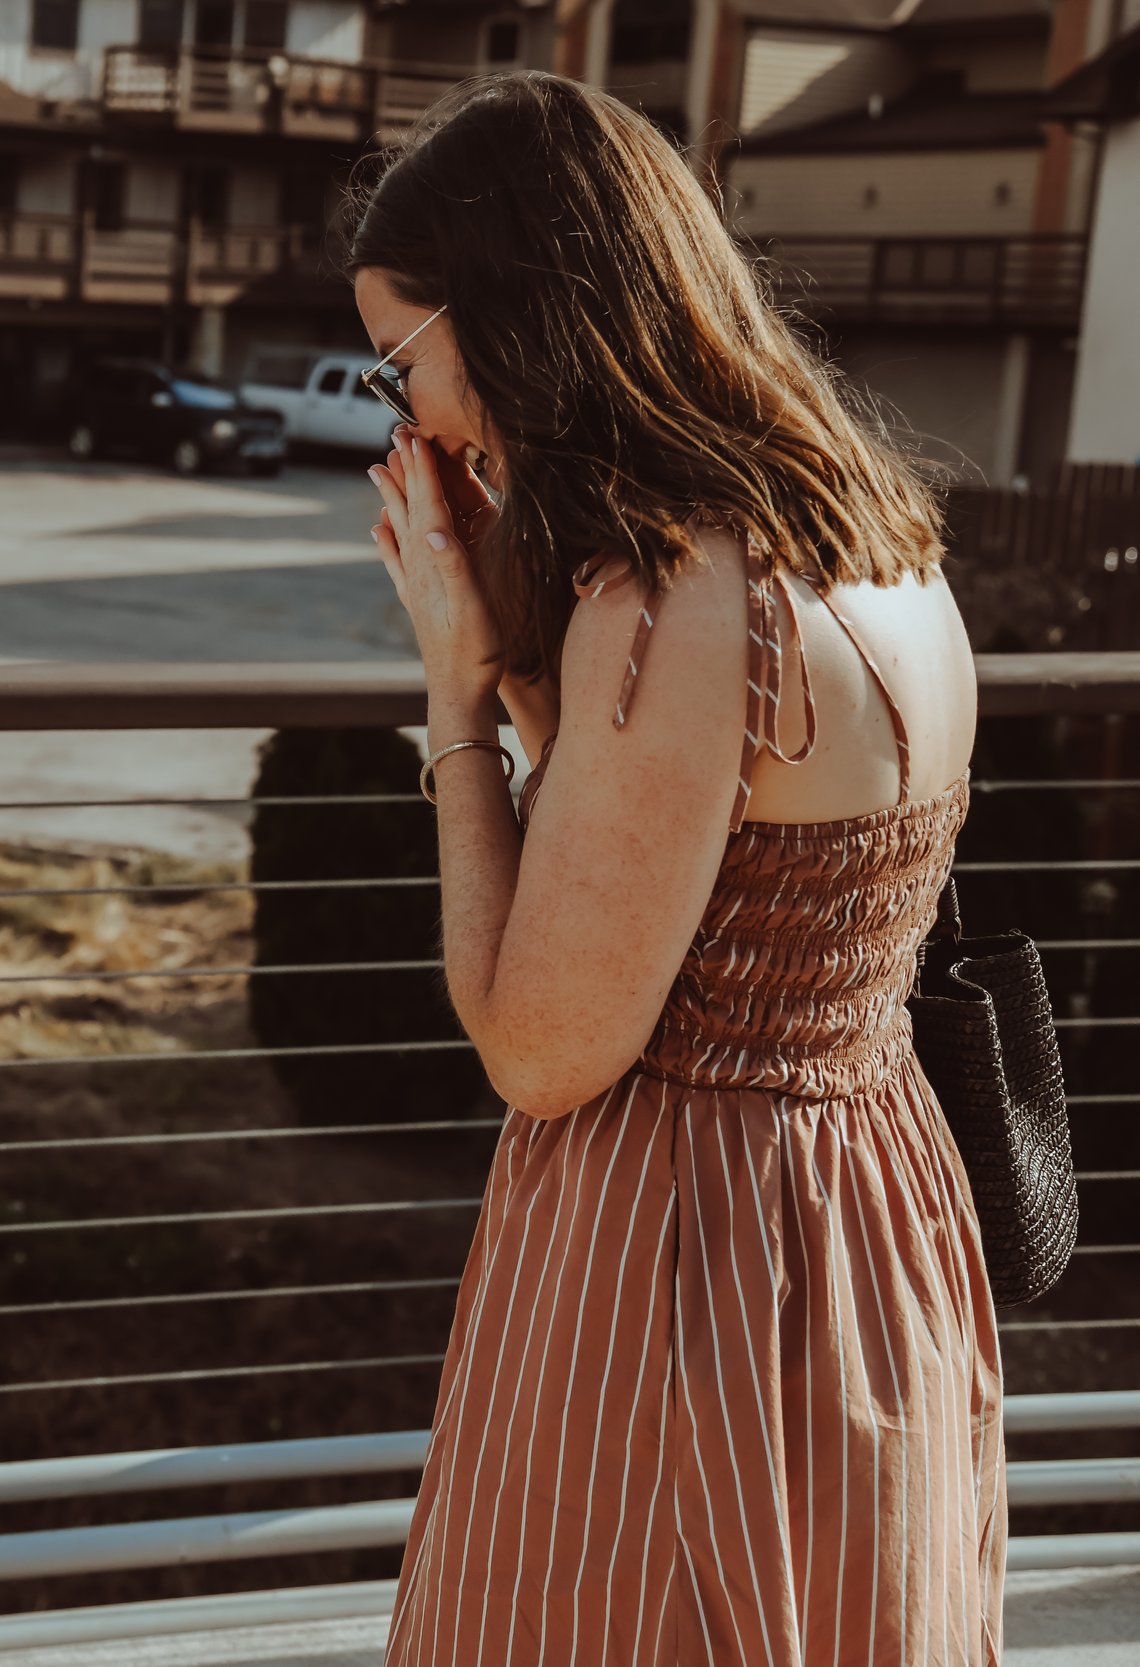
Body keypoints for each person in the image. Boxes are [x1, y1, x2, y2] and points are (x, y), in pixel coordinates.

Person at [352, 74, 1000, 1664]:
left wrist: (451, 702)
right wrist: (520, 664)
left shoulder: (672, 598)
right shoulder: (880, 540)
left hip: (684, 1244)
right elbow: (695, 846)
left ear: (510, 313)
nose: (407, 415)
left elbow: (545, 1045)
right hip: (865, 1201)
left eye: (401, 358)